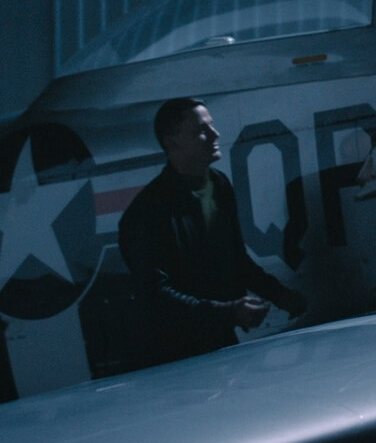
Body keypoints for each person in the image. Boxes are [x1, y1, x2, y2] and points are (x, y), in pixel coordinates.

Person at [119, 97, 307, 366]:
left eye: (211, 125)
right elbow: (156, 295)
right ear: (171, 144)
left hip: (220, 339)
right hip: (175, 356)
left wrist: (278, 295)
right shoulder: (145, 214)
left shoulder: (219, 185)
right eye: (201, 130)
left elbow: (235, 259)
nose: (215, 134)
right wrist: (228, 312)